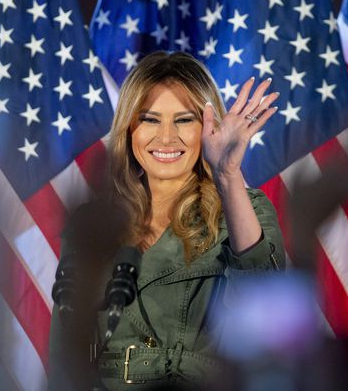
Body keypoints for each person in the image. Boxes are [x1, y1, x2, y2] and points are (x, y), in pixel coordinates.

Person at [49, 51, 286, 390]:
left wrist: (228, 174)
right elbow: (66, 356)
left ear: (209, 128)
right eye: (149, 119)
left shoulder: (242, 210)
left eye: (184, 119)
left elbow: (266, 299)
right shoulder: (94, 223)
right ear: (129, 128)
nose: (166, 137)